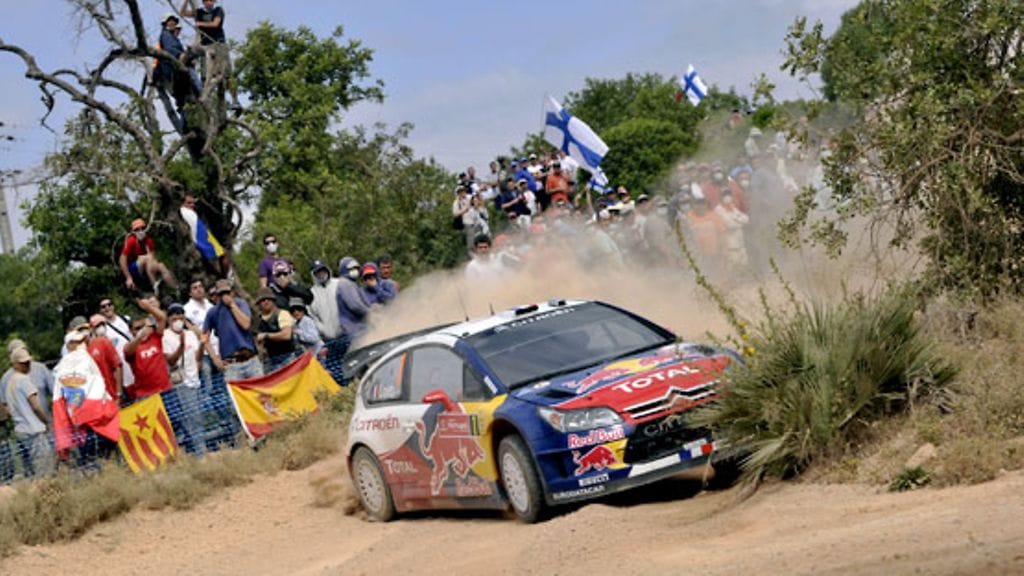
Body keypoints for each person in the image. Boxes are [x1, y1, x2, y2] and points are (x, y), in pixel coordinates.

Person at [179, 0, 239, 110]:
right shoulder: (199, 12)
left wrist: (200, 24)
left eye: (212, 0)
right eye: (208, 0)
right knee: (190, 53)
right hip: (205, 45)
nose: (210, 3)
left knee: (227, 74)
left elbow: (215, 24)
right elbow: (182, 13)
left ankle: (235, 100)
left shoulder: (218, 10)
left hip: (218, 44)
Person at [4, 346, 53, 478]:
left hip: (21, 430)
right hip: (33, 430)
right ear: (15, 364)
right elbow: (36, 406)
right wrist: (46, 421)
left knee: (31, 469)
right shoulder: (24, 380)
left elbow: (7, 408)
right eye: (23, 363)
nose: (27, 365)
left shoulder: (9, 382)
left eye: (28, 362)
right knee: (45, 469)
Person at [163, 303, 205, 455]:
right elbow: (171, 361)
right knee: (190, 420)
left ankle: (199, 452)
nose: (178, 317)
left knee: (198, 417)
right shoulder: (165, 336)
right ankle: (199, 453)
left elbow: (197, 358)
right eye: (174, 314)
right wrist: (181, 345)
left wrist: (202, 345)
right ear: (169, 318)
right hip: (181, 383)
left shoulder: (190, 334)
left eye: (180, 314)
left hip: (195, 380)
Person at [204, 279, 261, 382]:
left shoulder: (241, 303)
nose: (224, 296)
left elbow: (246, 324)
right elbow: (204, 337)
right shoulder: (212, 312)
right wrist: (215, 359)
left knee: (262, 394)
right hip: (231, 364)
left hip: (251, 359)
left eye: (226, 292)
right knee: (235, 396)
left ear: (232, 292)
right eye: (221, 293)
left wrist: (232, 305)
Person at [153, 13, 198, 134]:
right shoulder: (166, 35)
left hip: (172, 73)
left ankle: (186, 126)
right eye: (170, 21)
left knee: (183, 101)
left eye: (175, 22)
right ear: (165, 23)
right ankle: (201, 98)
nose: (173, 24)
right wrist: (181, 56)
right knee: (194, 91)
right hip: (171, 73)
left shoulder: (174, 39)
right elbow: (170, 50)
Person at [124, 296, 171, 401]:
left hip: (165, 389)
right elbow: (128, 352)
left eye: (143, 326)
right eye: (137, 328)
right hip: (146, 395)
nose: (141, 330)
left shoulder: (155, 337)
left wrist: (148, 307)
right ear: (131, 331)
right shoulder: (130, 346)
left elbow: (162, 318)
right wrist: (139, 337)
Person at [119, 218, 178, 294]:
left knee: (161, 265)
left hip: (146, 266)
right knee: (147, 257)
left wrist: (156, 266)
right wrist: (128, 278)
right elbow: (122, 260)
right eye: (137, 229)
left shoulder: (148, 241)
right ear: (133, 231)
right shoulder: (131, 240)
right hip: (134, 268)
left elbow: (153, 258)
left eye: (142, 228)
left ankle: (175, 288)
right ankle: (154, 285)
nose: (140, 231)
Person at [254, 287, 299, 373]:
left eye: (268, 299)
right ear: (259, 303)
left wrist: (266, 335)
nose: (266, 301)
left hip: (288, 357)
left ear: (273, 300)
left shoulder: (282, 314)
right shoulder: (258, 320)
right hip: (270, 360)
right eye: (262, 300)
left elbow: (286, 335)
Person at [335, 257, 373, 345]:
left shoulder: (352, 283)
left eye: (356, 268)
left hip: (358, 328)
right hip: (352, 328)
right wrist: (370, 313)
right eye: (352, 269)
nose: (355, 271)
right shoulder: (345, 284)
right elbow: (355, 305)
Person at [87, 315, 124, 403]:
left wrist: (118, 393)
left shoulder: (105, 342)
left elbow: (118, 366)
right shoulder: (85, 347)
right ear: (92, 328)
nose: (101, 328)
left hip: (111, 394)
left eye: (103, 324)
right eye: (98, 326)